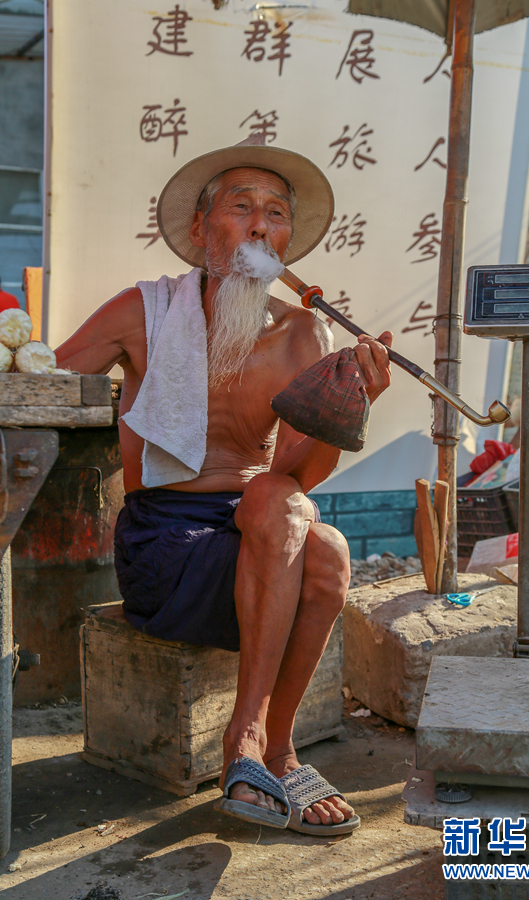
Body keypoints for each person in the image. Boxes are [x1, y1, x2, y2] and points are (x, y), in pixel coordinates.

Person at [55, 137, 393, 836]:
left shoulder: (304, 334)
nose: (260, 224)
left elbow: (298, 477)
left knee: (317, 538)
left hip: (258, 537)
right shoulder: (143, 311)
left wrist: (346, 406)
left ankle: (275, 744)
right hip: (164, 544)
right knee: (280, 506)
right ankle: (248, 741)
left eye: (274, 214)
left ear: (286, 241)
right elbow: (40, 381)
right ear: (201, 232)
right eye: (241, 208)